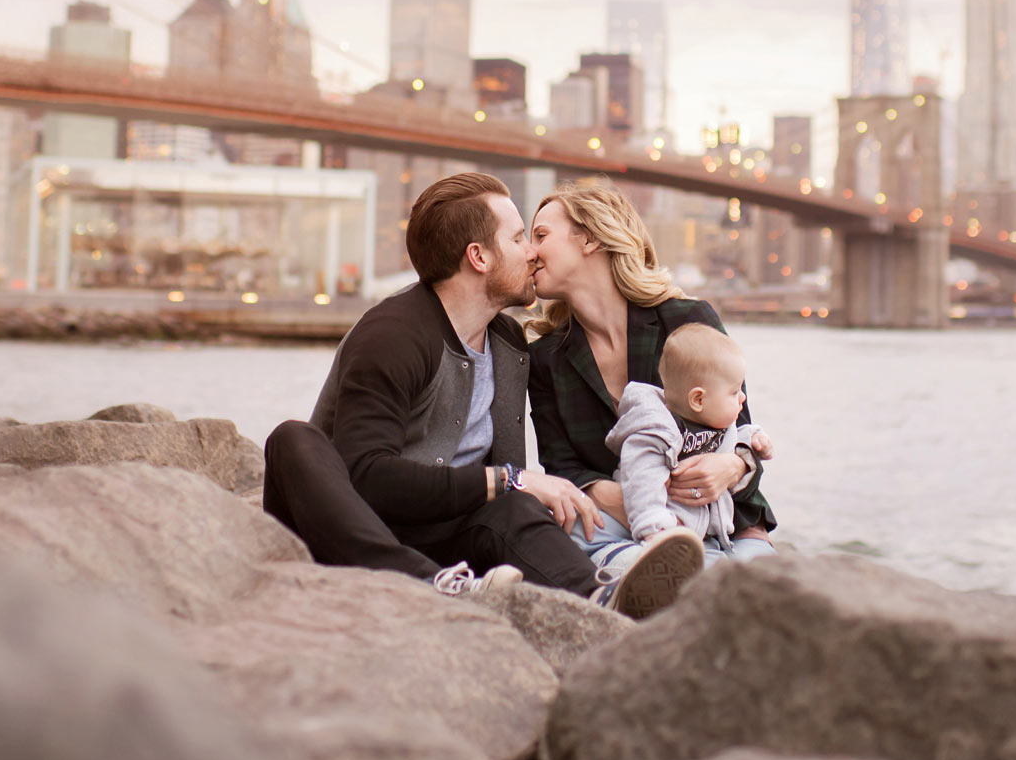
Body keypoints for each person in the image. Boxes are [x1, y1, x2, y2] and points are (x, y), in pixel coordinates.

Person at [262, 172, 603, 601]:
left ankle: (599, 599)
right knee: (292, 439)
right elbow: (366, 476)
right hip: (359, 537)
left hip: (451, 540)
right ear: (479, 257)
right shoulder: (393, 335)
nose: (533, 252)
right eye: (519, 239)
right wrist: (510, 478)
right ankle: (425, 583)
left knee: (515, 507)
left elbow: (504, 494)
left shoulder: (508, 343)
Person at [524, 181, 777, 613]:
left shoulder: (687, 320)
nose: (529, 252)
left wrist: (730, 464)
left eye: (541, 236)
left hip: (726, 526)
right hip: (618, 531)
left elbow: (741, 427)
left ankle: (691, 573)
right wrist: (647, 505)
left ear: (590, 238)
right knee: (575, 543)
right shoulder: (545, 357)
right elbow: (564, 470)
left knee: (757, 598)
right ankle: (653, 573)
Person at [608, 322, 766, 554]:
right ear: (698, 400)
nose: (742, 397)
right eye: (734, 392)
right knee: (708, 576)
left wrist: (753, 438)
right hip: (667, 529)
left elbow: (731, 440)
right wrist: (654, 528)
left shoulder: (717, 422)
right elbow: (642, 478)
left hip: (704, 531)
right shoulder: (656, 432)